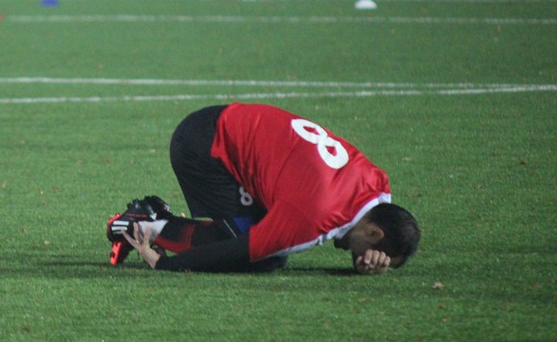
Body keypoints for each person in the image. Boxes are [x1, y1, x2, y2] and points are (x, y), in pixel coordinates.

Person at [106, 102, 420, 275]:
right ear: (375, 234)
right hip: (204, 146)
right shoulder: (314, 216)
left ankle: (151, 220)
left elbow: (356, 232)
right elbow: (237, 251)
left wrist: (360, 261)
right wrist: (165, 264)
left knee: (264, 244)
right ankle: (143, 223)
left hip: (229, 126)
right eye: (375, 254)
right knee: (262, 256)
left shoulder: (377, 185)